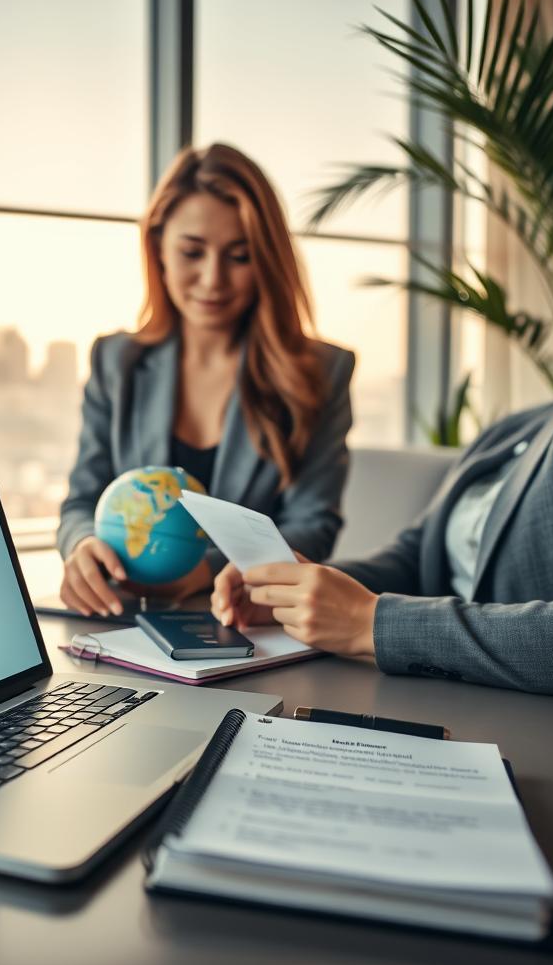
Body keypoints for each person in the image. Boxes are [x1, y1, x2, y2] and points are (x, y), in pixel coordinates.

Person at [213, 308, 553, 711]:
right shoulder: (510, 431)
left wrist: (368, 622)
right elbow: (415, 559)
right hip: (436, 695)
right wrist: (295, 589)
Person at [58, 143, 355, 619]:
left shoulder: (320, 372)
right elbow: (81, 500)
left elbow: (313, 526)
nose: (213, 280)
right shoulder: (117, 361)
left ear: (266, 261)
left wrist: (206, 570)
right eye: (192, 252)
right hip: (121, 615)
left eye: (239, 256)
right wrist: (83, 544)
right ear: (158, 248)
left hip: (245, 620)